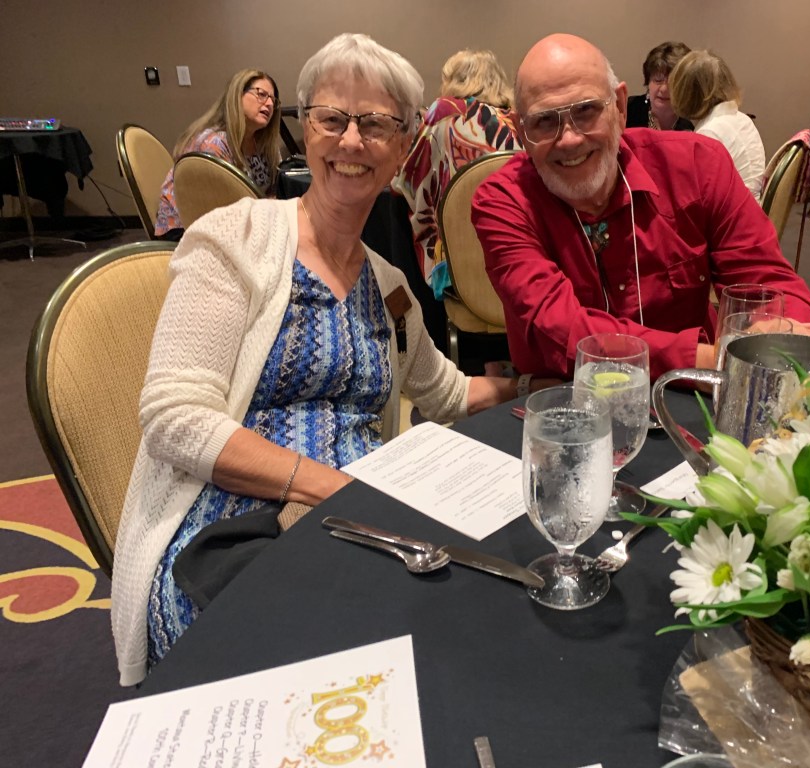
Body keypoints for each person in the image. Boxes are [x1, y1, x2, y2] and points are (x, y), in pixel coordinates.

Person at [112, 34, 550, 687]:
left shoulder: (391, 288)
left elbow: (448, 394)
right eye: (331, 118)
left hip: (363, 525)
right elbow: (175, 419)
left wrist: (538, 384)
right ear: (306, 128)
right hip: (228, 530)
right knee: (328, 660)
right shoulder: (236, 238)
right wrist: (333, 488)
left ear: (404, 146)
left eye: (374, 124)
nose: (351, 140)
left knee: (476, 619)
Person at [471, 34, 810, 381]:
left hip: (693, 398)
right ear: (521, 130)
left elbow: (771, 287)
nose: (569, 139)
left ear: (620, 107)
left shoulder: (697, 165)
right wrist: (714, 358)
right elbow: (560, 330)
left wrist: (786, 337)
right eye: (545, 121)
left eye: (586, 110)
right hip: (566, 398)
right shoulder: (502, 201)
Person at [393, 49, 522, 298]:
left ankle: (414, 304)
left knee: (398, 204)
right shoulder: (517, 120)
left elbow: (410, 175)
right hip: (514, 248)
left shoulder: (445, 110)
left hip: (461, 256)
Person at [154, 68, 283, 239]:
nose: (269, 104)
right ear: (237, 94)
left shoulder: (264, 145)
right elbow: (220, 210)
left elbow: (273, 190)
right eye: (261, 94)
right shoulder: (212, 143)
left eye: (273, 100)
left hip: (236, 224)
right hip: (186, 231)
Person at [668, 50, 766, 198]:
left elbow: (697, 195)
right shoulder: (742, 120)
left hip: (732, 210)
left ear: (687, 93)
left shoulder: (710, 133)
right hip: (752, 205)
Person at [625, 41, 694, 132]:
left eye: (672, 83)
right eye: (658, 80)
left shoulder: (689, 126)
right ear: (648, 81)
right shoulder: (627, 110)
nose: (664, 89)